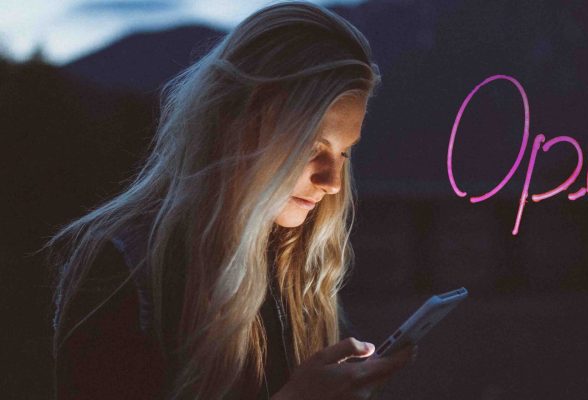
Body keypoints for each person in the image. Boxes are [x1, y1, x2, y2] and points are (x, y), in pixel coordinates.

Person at [43, 2, 416, 399]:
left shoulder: (293, 270)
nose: (333, 182)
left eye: (344, 152)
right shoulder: (126, 271)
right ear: (238, 121)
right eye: (311, 146)